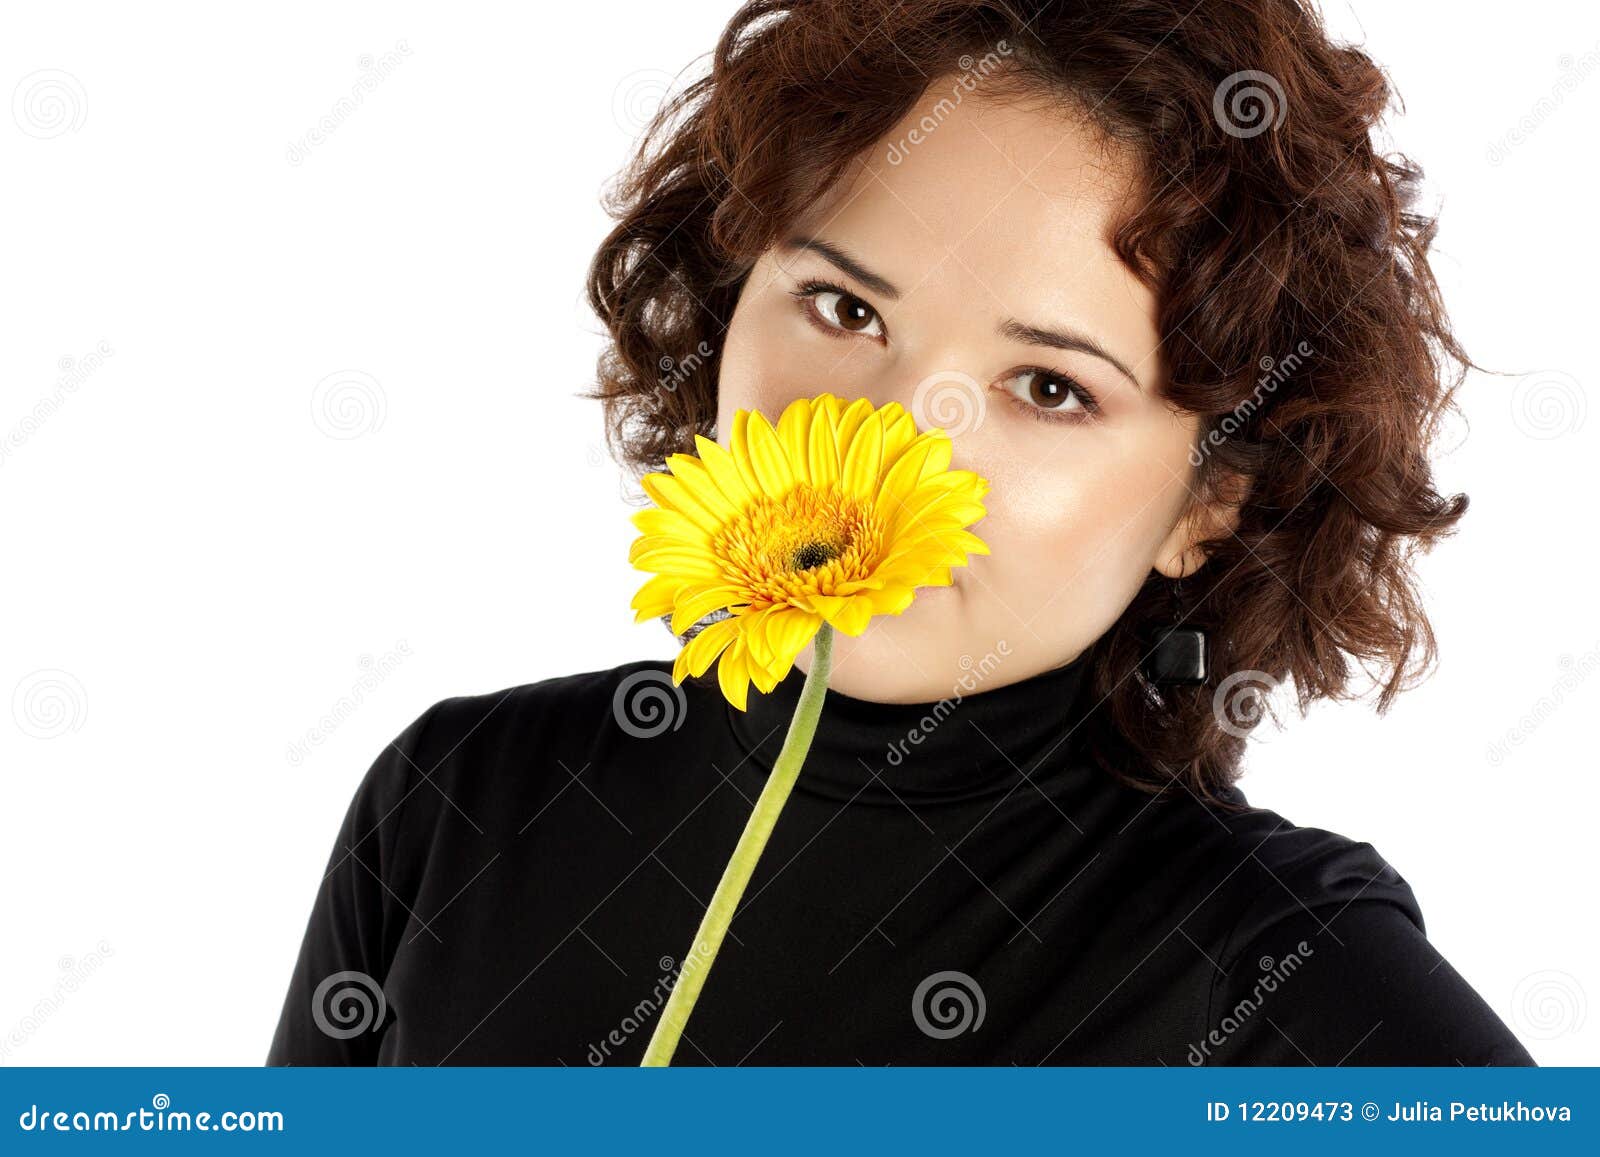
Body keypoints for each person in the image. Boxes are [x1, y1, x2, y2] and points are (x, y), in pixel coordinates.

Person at [267, 0, 1535, 1065]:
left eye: (1047, 387)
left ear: (1212, 501)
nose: (889, 445)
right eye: (843, 308)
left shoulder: (1278, 984)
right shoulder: (460, 802)